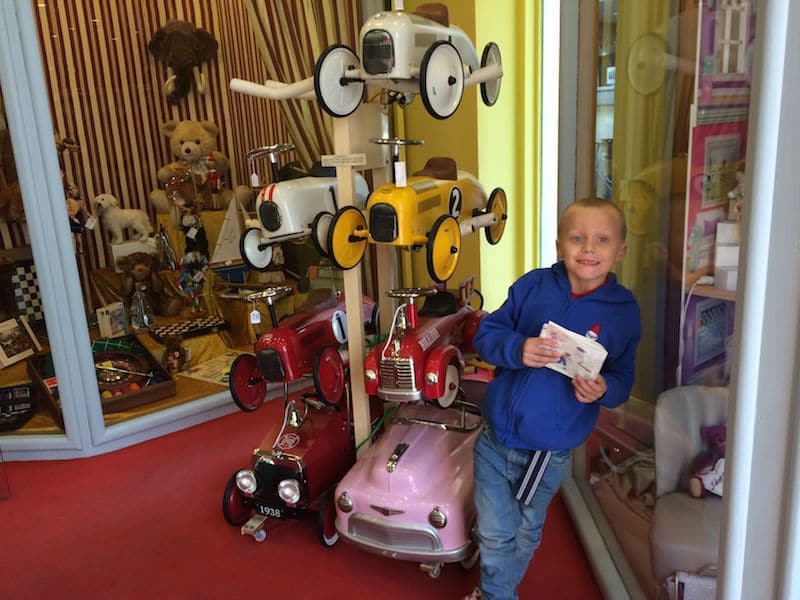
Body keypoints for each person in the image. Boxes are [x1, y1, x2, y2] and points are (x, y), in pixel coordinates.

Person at [466, 197, 642, 600]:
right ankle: (497, 595)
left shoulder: (623, 312)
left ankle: (494, 590)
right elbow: (486, 335)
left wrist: (604, 389)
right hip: (494, 440)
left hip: (548, 455)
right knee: (494, 534)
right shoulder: (533, 285)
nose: (588, 248)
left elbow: (622, 380)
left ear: (621, 251)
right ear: (560, 244)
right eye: (577, 238)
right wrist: (518, 348)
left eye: (602, 239)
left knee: (524, 531)